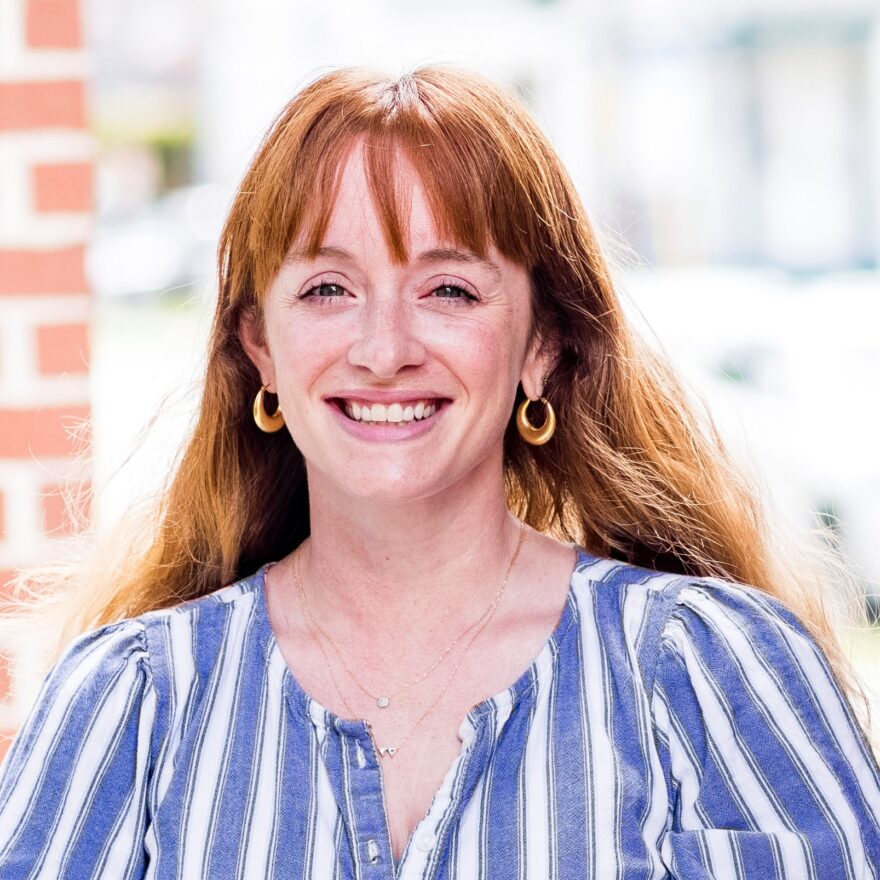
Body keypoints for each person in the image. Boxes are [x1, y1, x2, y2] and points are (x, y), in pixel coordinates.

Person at [0, 64, 878, 880]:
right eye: (327, 290)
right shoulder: (132, 703)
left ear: (543, 345)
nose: (384, 351)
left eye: (448, 290)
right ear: (259, 349)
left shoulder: (710, 674)